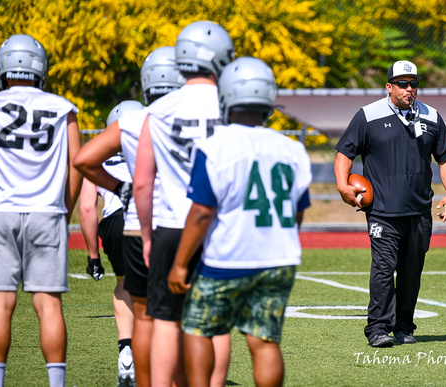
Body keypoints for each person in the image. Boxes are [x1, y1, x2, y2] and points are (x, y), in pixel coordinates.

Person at [167, 56, 312, 387]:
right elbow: (298, 209)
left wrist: (179, 264)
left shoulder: (214, 146)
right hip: (278, 259)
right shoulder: (291, 149)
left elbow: (202, 212)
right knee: (264, 341)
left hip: (227, 259)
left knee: (199, 329)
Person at [74, 46, 184, 387]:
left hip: (128, 222)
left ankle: (129, 354)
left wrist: (93, 254)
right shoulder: (194, 116)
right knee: (183, 309)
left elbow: (88, 201)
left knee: (134, 299)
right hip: (180, 220)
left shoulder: (130, 125)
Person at [133, 21, 233, 387]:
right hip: (218, 229)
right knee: (216, 322)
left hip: (172, 225)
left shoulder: (158, 110)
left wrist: (147, 235)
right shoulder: (231, 105)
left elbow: (143, 181)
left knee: (165, 320)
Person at [0, 34, 82, 386]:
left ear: (3, 66)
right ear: (41, 67)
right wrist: (63, 212)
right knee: (49, 304)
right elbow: (77, 165)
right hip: (46, 212)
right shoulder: (64, 108)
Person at [333, 60, 446, 348]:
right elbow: (344, 153)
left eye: (413, 83)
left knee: (411, 272)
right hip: (382, 211)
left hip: (418, 211)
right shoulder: (368, 115)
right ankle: (377, 328)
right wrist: (342, 186)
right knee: (383, 268)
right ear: (389, 87)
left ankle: (404, 326)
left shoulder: (432, 116)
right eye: (402, 83)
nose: (409, 88)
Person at [79, 100, 143, 386]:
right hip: (152, 218)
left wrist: (93, 255)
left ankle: (126, 351)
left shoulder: (100, 155)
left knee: (123, 283)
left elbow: (88, 208)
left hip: (116, 221)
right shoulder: (159, 139)